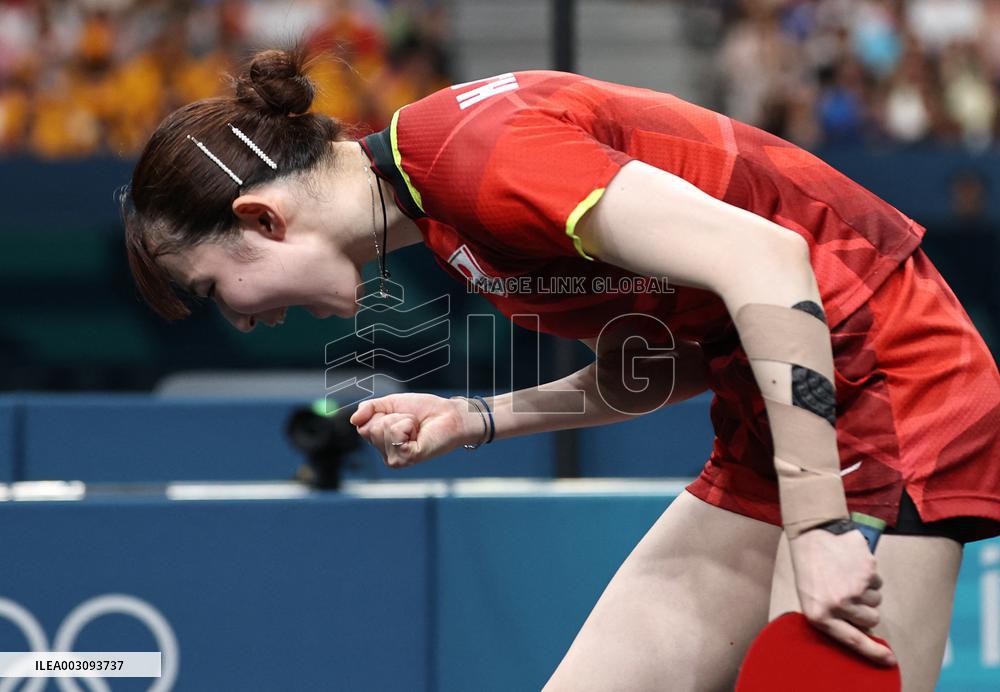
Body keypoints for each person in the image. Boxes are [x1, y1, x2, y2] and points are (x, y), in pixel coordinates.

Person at [122, 47, 1000, 691]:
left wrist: (816, 526)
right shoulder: (440, 210)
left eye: (215, 289)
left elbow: (770, 265)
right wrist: (479, 418)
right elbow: (667, 364)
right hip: (772, 407)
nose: (245, 319)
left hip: (891, 377)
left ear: (262, 219)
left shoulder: (477, 156)